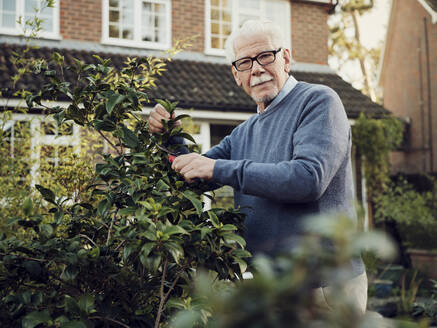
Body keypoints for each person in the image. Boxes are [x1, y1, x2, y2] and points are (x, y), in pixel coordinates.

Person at [148, 20, 367, 314]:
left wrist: (219, 169)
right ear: (236, 74)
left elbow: (307, 179)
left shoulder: (318, 101)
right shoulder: (243, 133)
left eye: (266, 56)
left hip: (324, 289)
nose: (257, 69)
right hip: (270, 287)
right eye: (245, 62)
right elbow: (195, 177)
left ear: (285, 58)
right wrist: (171, 137)